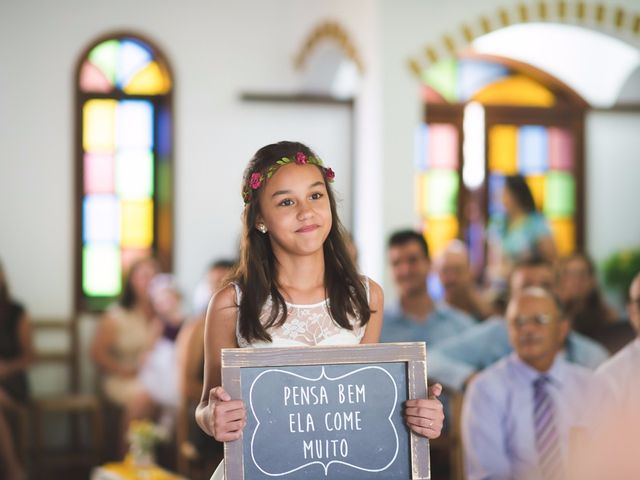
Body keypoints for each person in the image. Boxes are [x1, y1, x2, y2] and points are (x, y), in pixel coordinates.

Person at [194, 141, 444, 480]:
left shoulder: (366, 297)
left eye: (315, 196)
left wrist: (417, 413)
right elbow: (206, 406)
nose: (306, 211)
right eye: (286, 201)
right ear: (260, 220)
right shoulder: (231, 303)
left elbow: (364, 405)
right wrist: (214, 418)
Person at [461, 287, 604, 480]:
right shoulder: (485, 389)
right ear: (508, 330)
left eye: (540, 320)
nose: (527, 329)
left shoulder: (589, 385)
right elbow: (490, 474)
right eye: (518, 322)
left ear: (562, 329)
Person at [429, 258, 609, 392]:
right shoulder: (496, 333)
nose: (537, 294)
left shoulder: (591, 357)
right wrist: (473, 379)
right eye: (527, 287)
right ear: (511, 297)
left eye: (545, 285)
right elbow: (431, 359)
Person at [91, 257, 161, 450]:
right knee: (144, 396)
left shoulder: (163, 313)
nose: (150, 282)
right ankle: (130, 457)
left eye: (154, 276)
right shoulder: (116, 315)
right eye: (144, 276)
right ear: (132, 281)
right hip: (122, 376)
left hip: (156, 375)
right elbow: (97, 354)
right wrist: (125, 370)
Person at [380, 230, 476, 346]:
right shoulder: (378, 328)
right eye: (396, 263)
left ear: (429, 263)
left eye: (412, 260)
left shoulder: (462, 327)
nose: (405, 270)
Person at [487, 174, 556, 293]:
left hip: (530, 283)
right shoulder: (499, 224)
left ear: (516, 195)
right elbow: (494, 260)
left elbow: (551, 258)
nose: (501, 197)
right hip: (503, 284)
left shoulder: (536, 223)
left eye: (505, 193)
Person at [0, 261, 34, 480]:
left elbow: (31, 356)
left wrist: (5, 368)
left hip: (11, 382)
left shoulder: (16, 311)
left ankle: (13, 471)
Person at [555, 252, 619, 338]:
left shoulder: (608, 316)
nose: (576, 281)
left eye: (582, 274)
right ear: (561, 280)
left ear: (592, 280)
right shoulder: (554, 316)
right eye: (570, 274)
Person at [436, 239, 494, 321]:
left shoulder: (485, 314)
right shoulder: (435, 315)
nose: (451, 278)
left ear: (469, 272)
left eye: (457, 270)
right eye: (445, 271)